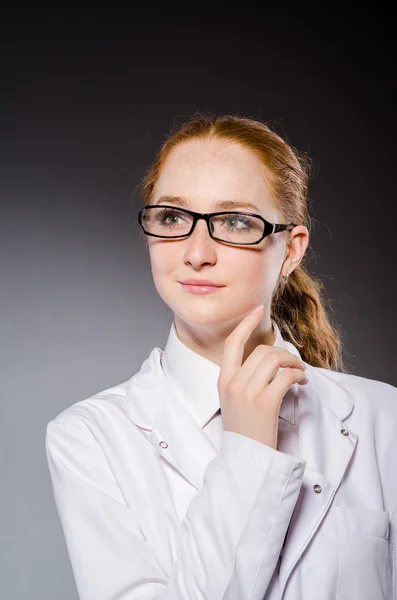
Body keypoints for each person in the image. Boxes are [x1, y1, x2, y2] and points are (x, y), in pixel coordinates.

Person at [45, 113, 397, 600]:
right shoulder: (90, 437)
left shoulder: (384, 418)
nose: (196, 252)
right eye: (172, 217)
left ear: (291, 251)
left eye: (235, 221)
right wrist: (248, 451)